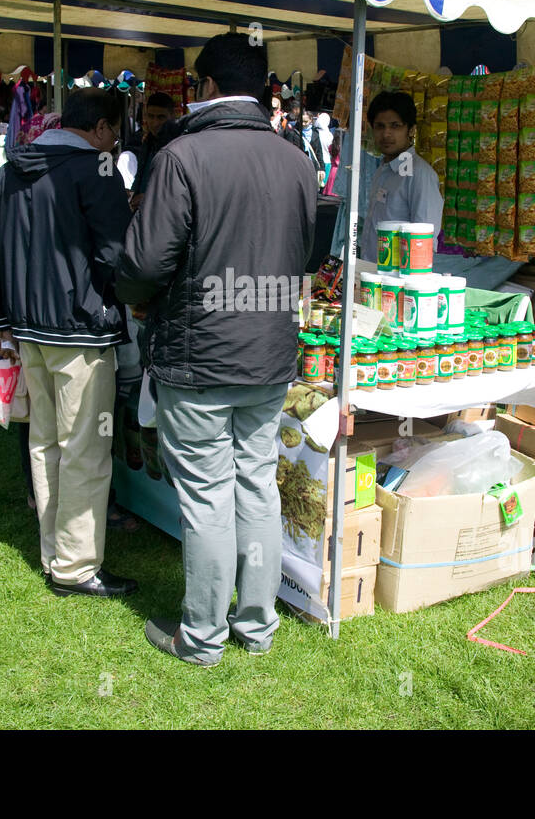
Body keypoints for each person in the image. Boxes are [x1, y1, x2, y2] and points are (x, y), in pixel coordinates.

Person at [117, 33, 317, 666]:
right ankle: (255, 626)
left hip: (201, 355)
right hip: (265, 351)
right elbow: (308, 255)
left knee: (209, 494)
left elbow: (145, 262)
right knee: (255, 486)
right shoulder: (297, 160)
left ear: (204, 87)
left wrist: (133, 290)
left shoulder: (182, 156)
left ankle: (202, 636)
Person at [0, 88, 137, 599]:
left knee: (45, 442)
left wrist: (0, 316)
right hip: (78, 329)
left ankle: (56, 553)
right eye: (116, 133)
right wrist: (126, 300)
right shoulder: (96, 170)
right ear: (104, 129)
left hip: (28, 328)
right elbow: (116, 254)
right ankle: (76, 566)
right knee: (83, 449)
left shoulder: (13, 169)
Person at [330, 89, 443, 260]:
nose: (386, 134)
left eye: (395, 126)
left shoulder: (420, 175)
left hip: (398, 282)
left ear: (411, 130)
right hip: (374, 277)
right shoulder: (384, 170)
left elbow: (423, 244)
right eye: (380, 126)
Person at [127, 91, 175, 205]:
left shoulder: (179, 146)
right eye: (151, 116)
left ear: (172, 116)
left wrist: (148, 197)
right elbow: (140, 177)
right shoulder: (147, 142)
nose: (155, 123)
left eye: (161, 117)